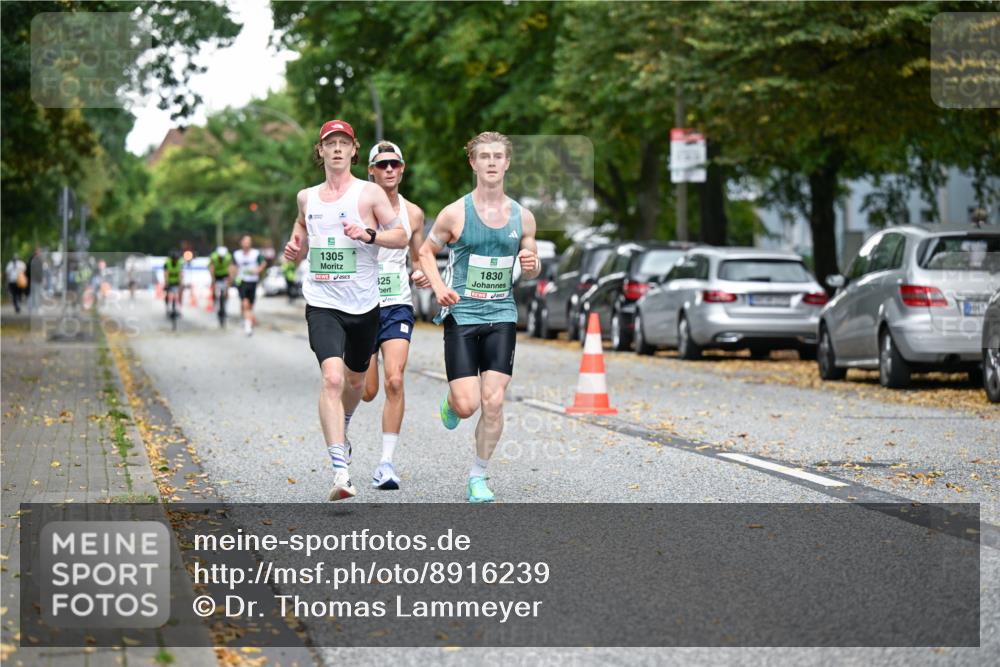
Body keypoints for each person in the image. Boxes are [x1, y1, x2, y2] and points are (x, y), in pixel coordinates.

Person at [282, 119, 409, 501]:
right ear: (319, 151)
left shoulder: (370, 194)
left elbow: (400, 234)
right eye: (329, 143)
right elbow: (302, 224)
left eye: (343, 143)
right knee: (332, 379)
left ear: (355, 151)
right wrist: (295, 245)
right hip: (322, 303)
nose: (336, 149)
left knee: (356, 383)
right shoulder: (307, 196)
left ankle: (345, 424)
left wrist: (369, 234)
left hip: (364, 306)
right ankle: (341, 472)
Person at [417, 131, 540, 503]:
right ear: (473, 163)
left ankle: (478, 477)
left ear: (506, 163)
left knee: (494, 400)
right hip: (463, 316)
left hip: (502, 313)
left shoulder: (524, 216)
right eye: (483, 156)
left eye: (497, 156)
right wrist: (439, 288)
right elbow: (425, 252)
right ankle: (452, 402)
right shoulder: (455, 213)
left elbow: (530, 264)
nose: (490, 162)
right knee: (468, 404)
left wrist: (532, 265)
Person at [359, 140, 431, 490]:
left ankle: (385, 463)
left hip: (397, 304)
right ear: (371, 170)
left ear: (402, 169)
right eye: (382, 164)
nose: (389, 169)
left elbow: (419, 258)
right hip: (360, 306)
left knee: (395, 380)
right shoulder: (358, 208)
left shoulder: (413, 213)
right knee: (367, 389)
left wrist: (420, 272)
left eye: (395, 164)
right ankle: (340, 423)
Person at [232, 235, 265, 336]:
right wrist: (232, 277)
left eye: (249, 241)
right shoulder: (236, 254)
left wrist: (257, 270)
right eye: (245, 241)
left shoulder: (255, 254)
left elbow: (263, 263)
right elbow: (233, 266)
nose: (247, 243)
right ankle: (248, 326)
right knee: (245, 302)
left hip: (253, 281)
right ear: (241, 243)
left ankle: (245, 318)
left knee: (250, 304)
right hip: (241, 281)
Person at [209, 245, 233, 324]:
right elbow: (212, 268)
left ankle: (225, 306)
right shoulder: (214, 257)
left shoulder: (228, 257)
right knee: (214, 290)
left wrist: (229, 280)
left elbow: (230, 268)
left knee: (226, 291)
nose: (221, 258)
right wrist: (213, 280)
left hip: (225, 275)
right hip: (216, 275)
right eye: (220, 257)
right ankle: (215, 302)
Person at [162, 250, 184, 315]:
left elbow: (180, 274)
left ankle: (179, 307)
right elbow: (166, 274)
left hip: (177, 281)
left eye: (176, 259)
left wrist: (180, 284)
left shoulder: (180, 263)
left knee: (180, 292)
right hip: (169, 281)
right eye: (174, 259)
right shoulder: (167, 263)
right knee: (167, 293)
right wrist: (166, 283)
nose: (175, 260)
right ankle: (167, 306)